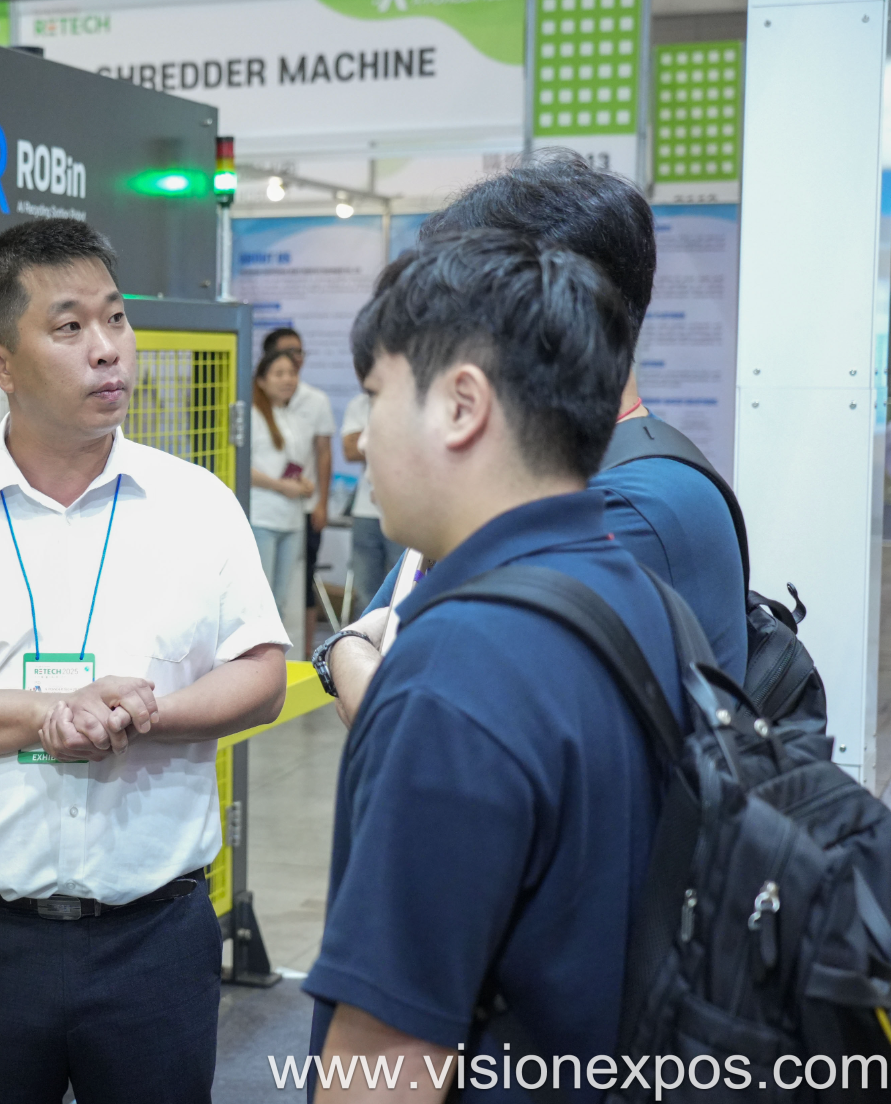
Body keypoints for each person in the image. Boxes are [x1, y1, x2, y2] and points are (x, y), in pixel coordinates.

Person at [0, 218, 290, 1104]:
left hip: (156, 940)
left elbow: (262, 673)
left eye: (116, 319)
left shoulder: (196, 504)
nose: (107, 349)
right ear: (0, 364)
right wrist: (45, 716)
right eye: (70, 326)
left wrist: (145, 714)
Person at [304, 230, 686, 1102]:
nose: (364, 438)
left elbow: (390, 1057)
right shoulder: (634, 594)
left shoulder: (455, 671)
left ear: (461, 404)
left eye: (376, 396)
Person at [347, 151, 745, 694]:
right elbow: (387, 628)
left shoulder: (632, 506)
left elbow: (418, 694)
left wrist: (346, 651)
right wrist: (346, 647)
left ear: (556, 299)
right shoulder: (535, 478)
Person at [263, 327, 336, 652]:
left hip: (300, 510)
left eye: (298, 354)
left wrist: (319, 499)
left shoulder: (311, 401)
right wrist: (281, 485)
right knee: (265, 593)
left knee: (295, 589)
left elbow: (320, 454)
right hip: (266, 513)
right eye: (283, 364)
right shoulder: (257, 408)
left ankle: (304, 656)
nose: (294, 363)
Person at [249, 348, 314, 634]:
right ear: (262, 380)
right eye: (279, 374)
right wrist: (280, 486)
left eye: (292, 373)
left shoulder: (296, 420)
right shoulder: (252, 416)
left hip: (292, 520)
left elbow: (294, 466)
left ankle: (275, 657)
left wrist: (304, 484)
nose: (288, 379)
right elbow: (242, 469)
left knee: (280, 602)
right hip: (262, 517)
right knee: (259, 601)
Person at [339, 391, 402, 609]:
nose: (365, 443)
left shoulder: (411, 398)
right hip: (365, 512)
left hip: (403, 511)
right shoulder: (359, 403)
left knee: (404, 588)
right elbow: (350, 450)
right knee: (366, 592)